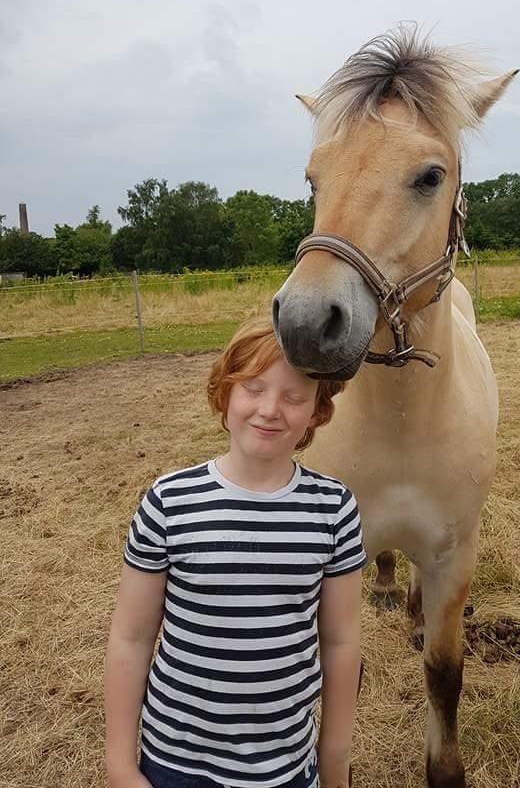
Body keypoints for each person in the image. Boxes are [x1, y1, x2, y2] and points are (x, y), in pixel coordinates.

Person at [105, 319, 366, 788]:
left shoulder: (334, 510)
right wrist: (121, 765)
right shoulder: (169, 502)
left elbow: (342, 643)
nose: (270, 409)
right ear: (224, 395)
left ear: (317, 413)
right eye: (253, 387)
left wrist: (334, 765)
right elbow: (131, 637)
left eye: (294, 396)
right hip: (174, 764)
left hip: (283, 767)